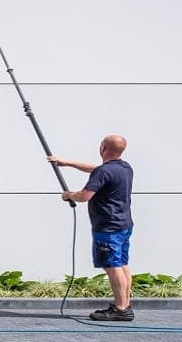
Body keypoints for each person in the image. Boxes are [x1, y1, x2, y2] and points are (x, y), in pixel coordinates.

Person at [48, 134, 135, 321]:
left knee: (112, 266)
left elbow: (84, 196)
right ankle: (125, 305)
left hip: (108, 227)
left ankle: (120, 309)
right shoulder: (125, 168)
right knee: (122, 264)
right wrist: (67, 163)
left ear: (103, 148)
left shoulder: (104, 172)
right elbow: (97, 169)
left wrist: (69, 195)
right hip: (123, 225)